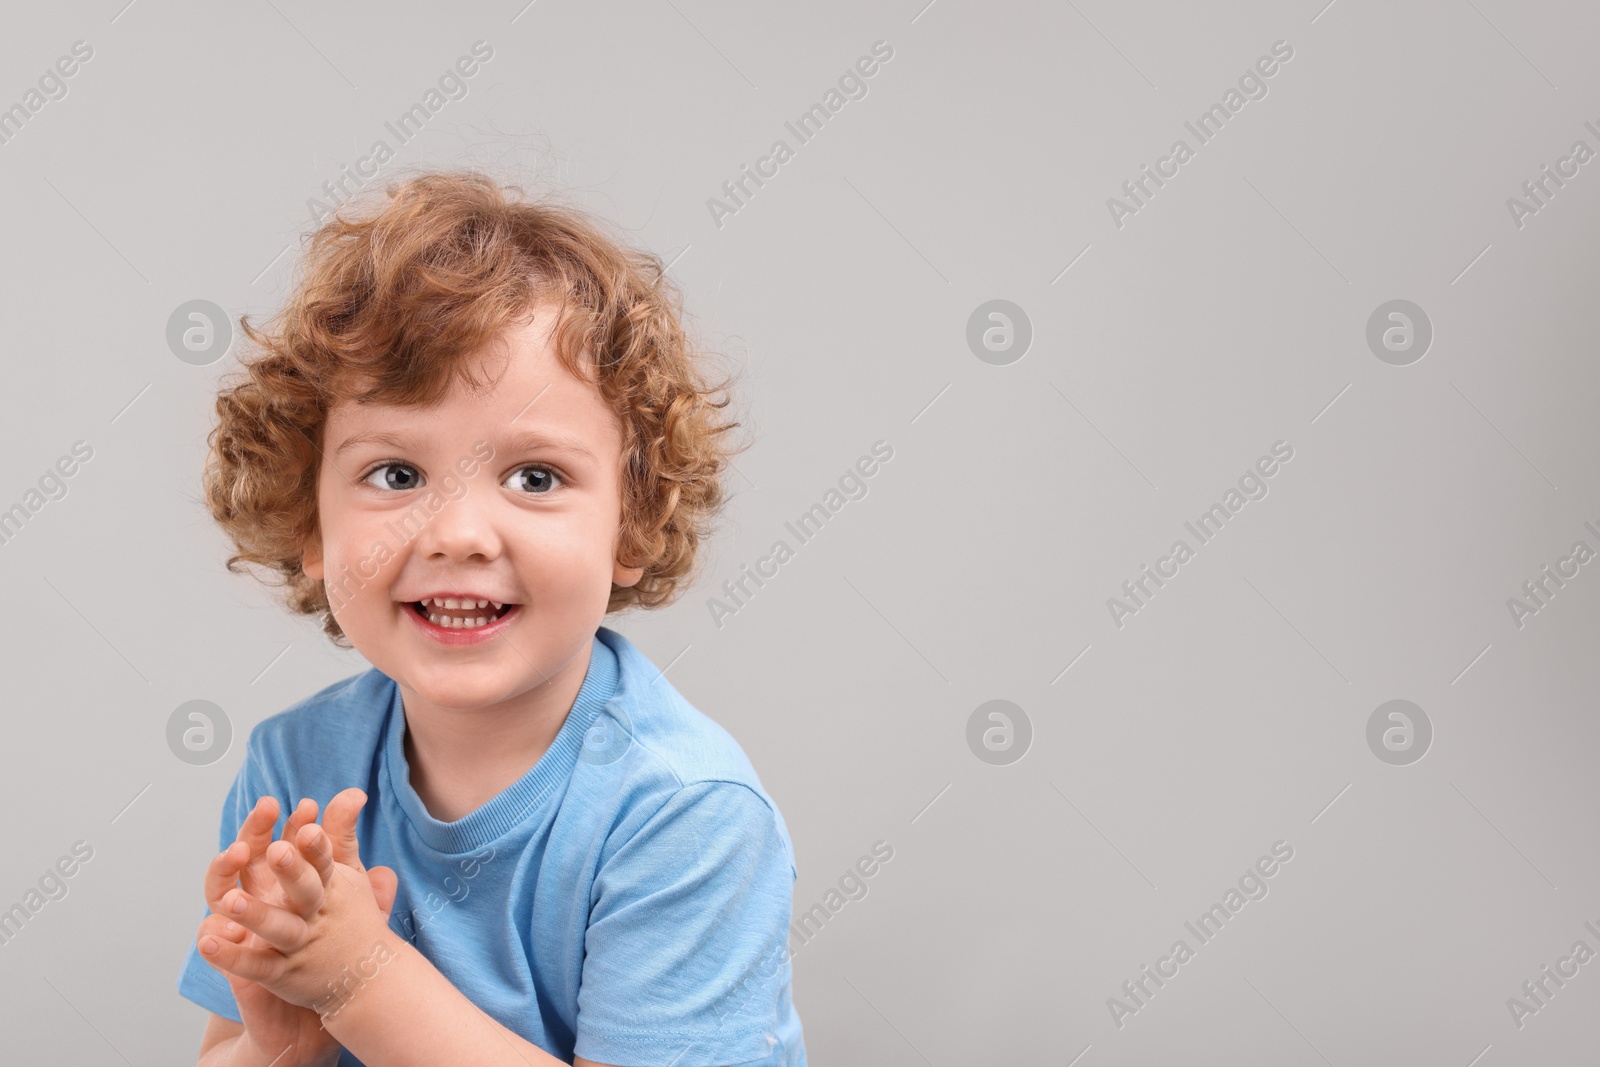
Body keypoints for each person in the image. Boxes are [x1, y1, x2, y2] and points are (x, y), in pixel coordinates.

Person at [176, 168, 806, 1066]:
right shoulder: (296, 768)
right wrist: (282, 1046)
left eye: (535, 477)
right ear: (307, 523)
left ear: (633, 523)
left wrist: (358, 978)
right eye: (396, 474)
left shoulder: (684, 813)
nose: (459, 533)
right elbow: (227, 1048)